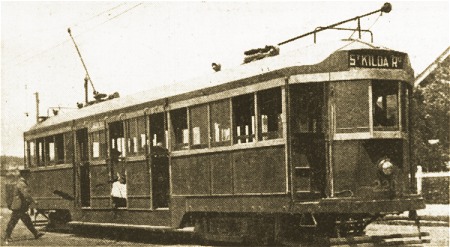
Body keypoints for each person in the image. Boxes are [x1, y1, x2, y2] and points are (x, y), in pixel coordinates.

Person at [3, 169, 44, 243]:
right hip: (19, 206)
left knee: (25, 220)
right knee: (14, 221)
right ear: (25, 174)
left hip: (20, 206)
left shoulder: (21, 182)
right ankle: (7, 236)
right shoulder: (22, 183)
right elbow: (26, 195)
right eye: (28, 174)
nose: (30, 175)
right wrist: (33, 201)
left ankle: (36, 233)